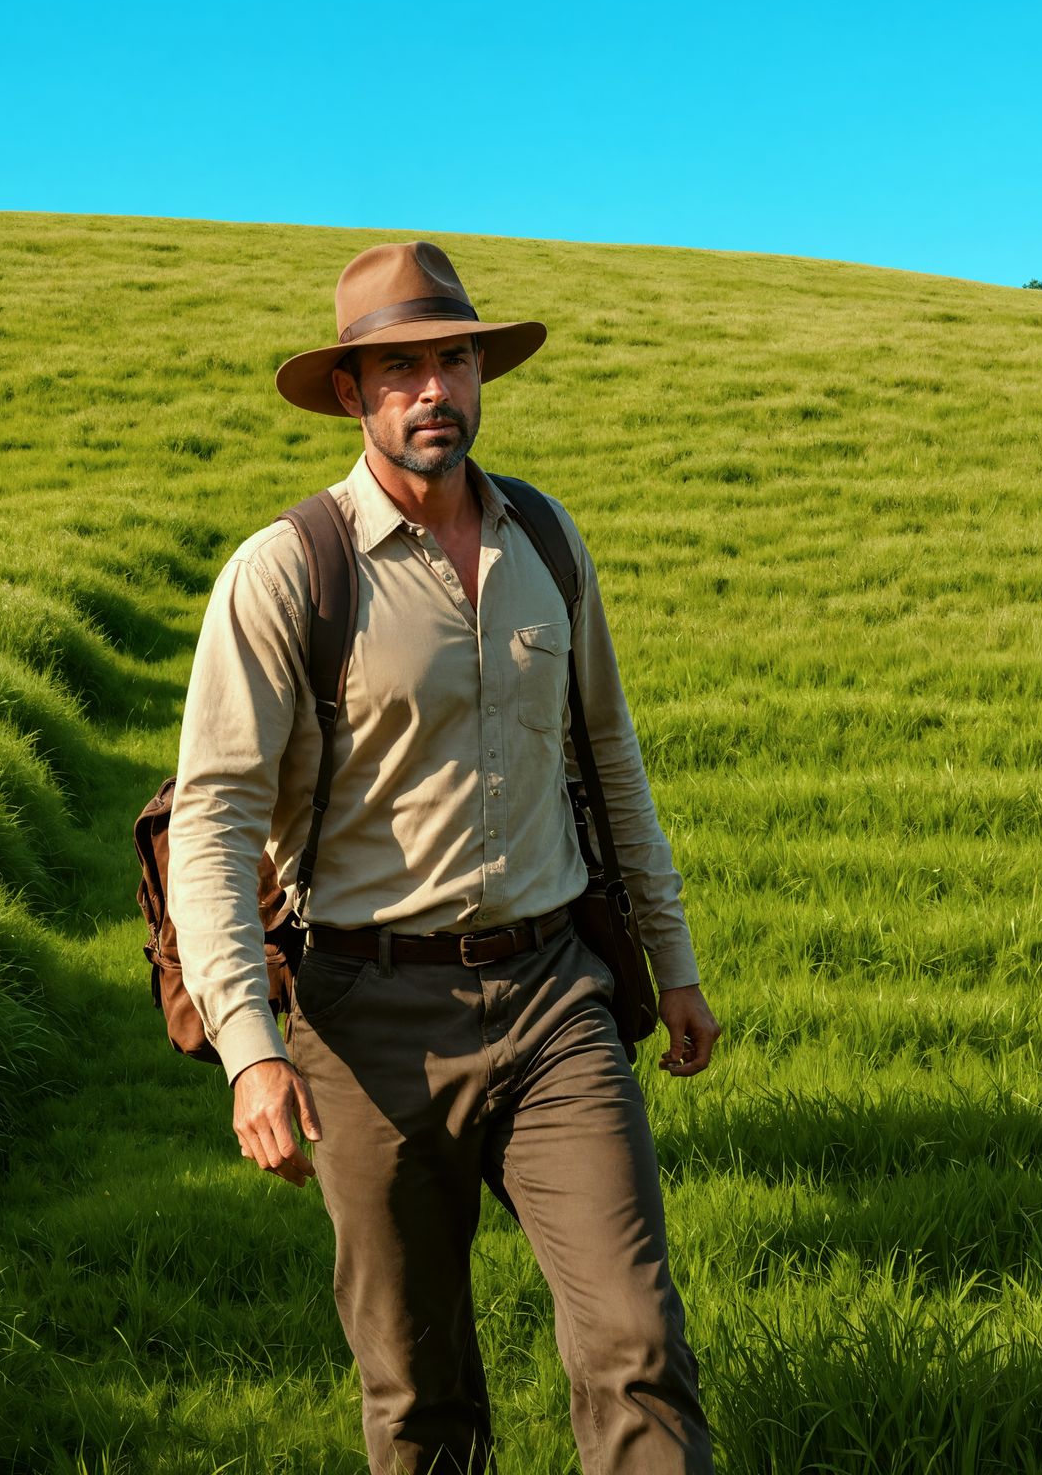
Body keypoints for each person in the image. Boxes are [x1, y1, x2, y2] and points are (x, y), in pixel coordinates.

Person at [168, 240, 720, 1473]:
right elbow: (212, 820)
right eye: (400, 366)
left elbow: (609, 759)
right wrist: (250, 1050)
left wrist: (669, 963)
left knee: (636, 1343)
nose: (433, 390)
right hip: (367, 1017)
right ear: (353, 393)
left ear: (482, 372)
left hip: (552, 996)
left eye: (454, 358)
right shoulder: (285, 573)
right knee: (420, 1394)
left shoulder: (547, 543)